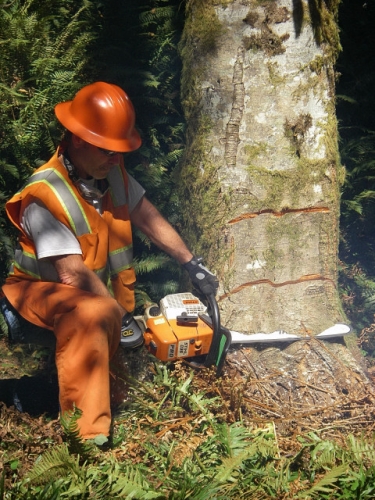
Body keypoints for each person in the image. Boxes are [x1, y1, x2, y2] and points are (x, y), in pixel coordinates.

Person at [0, 82, 218, 442]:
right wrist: (119, 316)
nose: (115, 160)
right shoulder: (44, 195)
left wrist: (191, 262)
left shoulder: (111, 174)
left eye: (119, 152)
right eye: (107, 150)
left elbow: (147, 216)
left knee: (116, 394)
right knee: (94, 316)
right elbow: (71, 272)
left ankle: (23, 394)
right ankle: (89, 440)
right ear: (78, 138)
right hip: (32, 300)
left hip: (91, 298)